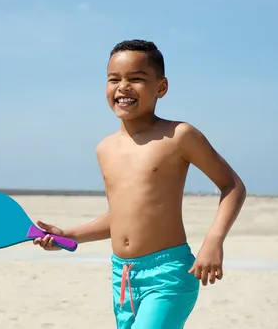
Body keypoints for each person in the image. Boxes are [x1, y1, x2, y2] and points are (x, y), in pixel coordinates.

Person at [33, 40, 247, 329]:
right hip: (122, 277)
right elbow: (122, 216)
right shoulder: (104, 149)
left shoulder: (179, 136)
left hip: (168, 274)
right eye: (114, 79)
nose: (123, 87)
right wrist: (68, 235)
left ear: (161, 87)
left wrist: (213, 242)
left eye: (136, 78)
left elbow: (232, 186)